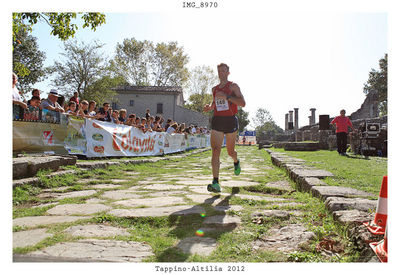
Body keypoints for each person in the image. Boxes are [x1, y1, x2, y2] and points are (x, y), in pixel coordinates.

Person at [203, 63, 246, 193]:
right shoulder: (214, 89)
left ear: (228, 72)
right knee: (215, 150)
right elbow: (215, 102)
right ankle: (215, 182)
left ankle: (236, 160)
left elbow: (242, 103)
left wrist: (227, 97)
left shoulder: (233, 86)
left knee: (230, 152)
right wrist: (209, 107)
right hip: (217, 120)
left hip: (230, 121)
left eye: (223, 71)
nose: (221, 73)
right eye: (219, 71)